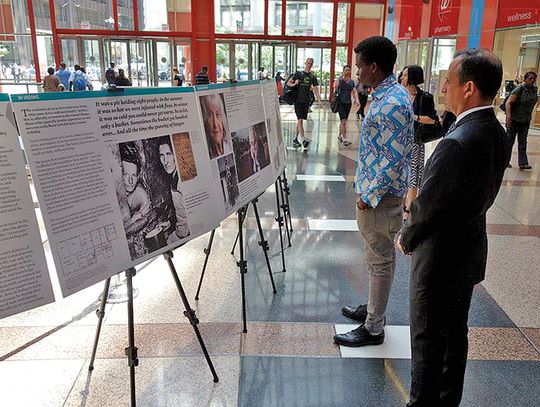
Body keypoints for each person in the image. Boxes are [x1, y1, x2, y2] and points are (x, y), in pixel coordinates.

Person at [396, 49, 510, 406]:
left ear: (469, 88)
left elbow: (430, 206)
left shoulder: (458, 141)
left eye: (449, 81)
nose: (444, 88)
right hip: (468, 250)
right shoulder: (495, 131)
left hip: (440, 260)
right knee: (454, 339)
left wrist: (406, 235)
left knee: (429, 346)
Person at [333, 36, 413, 348]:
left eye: (359, 66)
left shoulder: (393, 102)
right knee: (374, 255)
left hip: (380, 198)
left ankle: (374, 327)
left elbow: (395, 158)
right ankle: (373, 308)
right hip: (372, 191)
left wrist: (370, 195)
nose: (356, 72)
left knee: (380, 260)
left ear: (374, 68)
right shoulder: (384, 94)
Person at [400, 65, 439, 222]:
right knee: (401, 173)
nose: (402, 78)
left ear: (412, 78)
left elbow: (432, 119)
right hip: (400, 142)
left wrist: (413, 117)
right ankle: (401, 203)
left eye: (404, 75)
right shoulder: (400, 95)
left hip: (416, 141)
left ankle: (409, 208)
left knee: (414, 175)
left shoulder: (425, 97)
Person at [157, 137, 189, 242]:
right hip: (180, 231)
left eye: (169, 154)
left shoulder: (182, 182)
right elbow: (182, 211)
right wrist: (170, 222)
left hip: (185, 235)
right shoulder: (174, 177)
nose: (165, 161)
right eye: (162, 155)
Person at [287, 58, 322, 151]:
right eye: (308, 63)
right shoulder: (298, 74)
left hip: (305, 102)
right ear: (305, 63)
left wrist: (319, 101)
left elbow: (316, 90)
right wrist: (295, 84)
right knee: (299, 120)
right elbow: (288, 83)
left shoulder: (312, 77)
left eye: (311, 63)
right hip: (297, 101)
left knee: (300, 121)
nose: (309, 65)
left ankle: (295, 139)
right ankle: (303, 140)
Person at [505, 71, 538, 170]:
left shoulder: (534, 90)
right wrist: (508, 117)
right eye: (530, 78)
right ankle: (505, 161)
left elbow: (534, 101)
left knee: (523, 142)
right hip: (514, 119)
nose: (532, 81)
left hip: (525, 120)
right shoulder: (519, 88)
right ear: (525, 79)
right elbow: (508, 102)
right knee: (509, 142)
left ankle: (523, 163)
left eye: (534, 79)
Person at [120, 143, 152, 237]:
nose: (130, 181)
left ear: (138, 176)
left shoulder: (140, 195)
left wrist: (134, 218)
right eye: (126, 175)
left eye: (133, 175)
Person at [333, 65, 360, 146]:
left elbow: (354, 91)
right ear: (343, 71)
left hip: (348, 103)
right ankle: (344, 138)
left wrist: (357, 99)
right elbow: (335, 85)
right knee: (343, 121)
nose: (347, 72)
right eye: (346, 70)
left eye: (349, 70)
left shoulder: (352, 82)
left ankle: (339, 135)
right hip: (340, 102)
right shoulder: (340, 81)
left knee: (343, 121)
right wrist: (340, 76)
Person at [200, 94, 233, 159]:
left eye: (218, 115)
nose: (215, 124)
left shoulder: (230, 146)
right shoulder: (205, 154)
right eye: (210, 116)